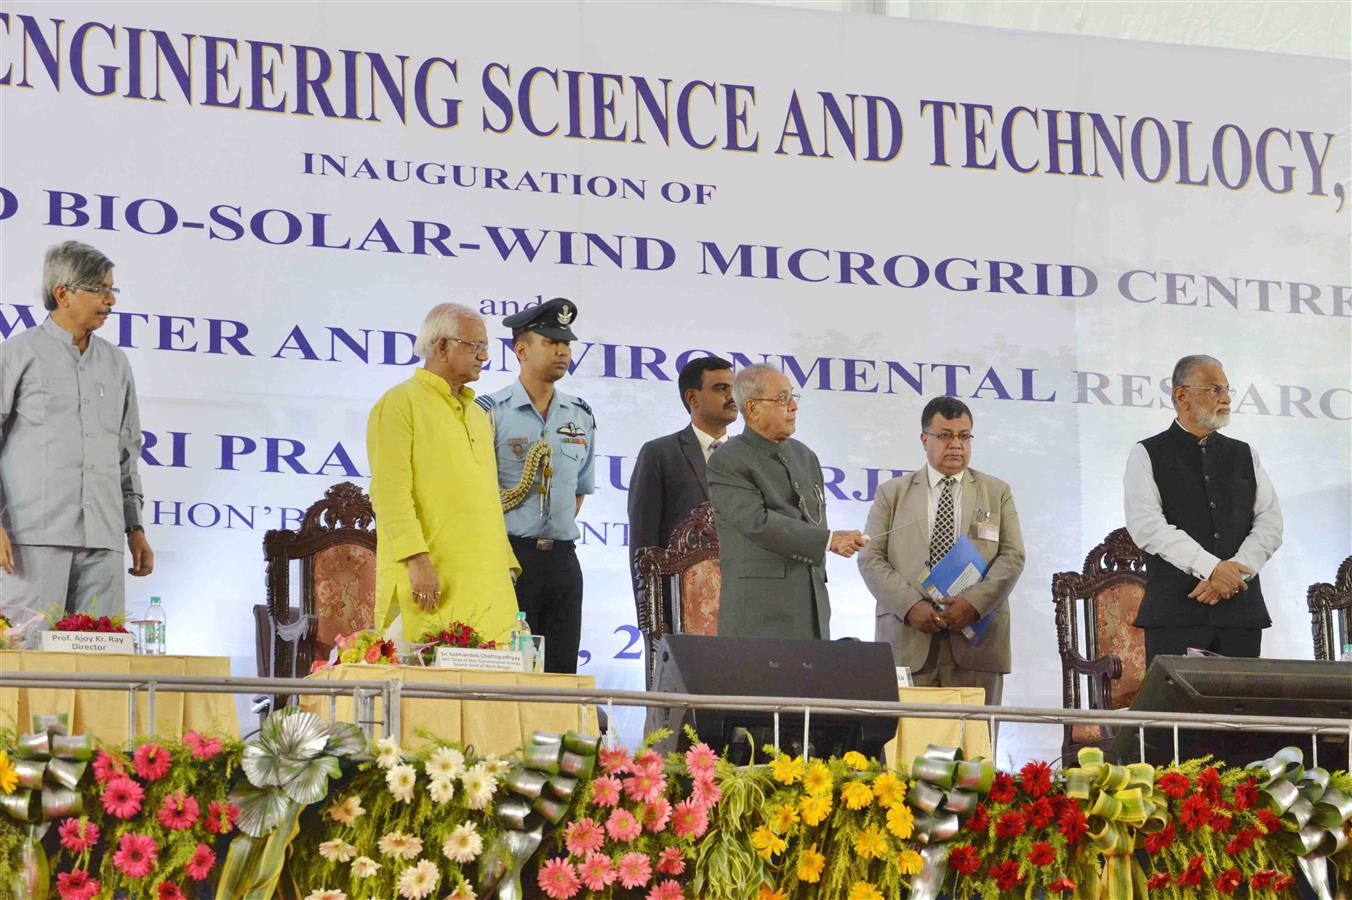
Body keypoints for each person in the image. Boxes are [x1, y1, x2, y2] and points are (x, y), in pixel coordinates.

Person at [0, 241, 153, 624]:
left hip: (102, 539)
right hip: (31, 539)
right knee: (28, 658)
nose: (110, 301)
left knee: (100, 660)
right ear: (62, 292)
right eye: (100, 290)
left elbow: (126, 451)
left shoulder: (116, 364)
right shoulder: (17, 355)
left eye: (112, 290)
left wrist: (134, 528)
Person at [366, 303, 519, 645]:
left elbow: (486, 497)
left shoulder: (479, 416)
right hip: (431, 578)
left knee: (493, 689)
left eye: (485, 348)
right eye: (475, 346)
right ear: (442, 346)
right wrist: (417, 561)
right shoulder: (399, 403)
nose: (484, 356)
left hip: (485, 580)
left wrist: (506, 562)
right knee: (427, 685)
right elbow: (390, 492)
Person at [857, 396, 1023, 706]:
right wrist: (910, 606)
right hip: (910, 641)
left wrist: (973, 604)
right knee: (908, 750)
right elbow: (870, 558)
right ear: (924, 439)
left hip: (977, 640)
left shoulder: (997, 492)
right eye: (945, 435)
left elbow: (1013, 556)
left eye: (964, 435)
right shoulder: (891, 493)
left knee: (975, 750)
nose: (956, 445)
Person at [1125, 354, 1282, 666]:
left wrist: (1235, 571)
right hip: (1176, 616)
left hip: (1241, 614)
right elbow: (1147, 527)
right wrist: (1211, 568)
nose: (1225, 399)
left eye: (1227, 390)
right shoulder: (1147, 453)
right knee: (1178, 715)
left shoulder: (1244, 454)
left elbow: (1270, 522)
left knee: (1239, 713)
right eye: (1214, 390)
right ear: (1181, 396)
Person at [478, 298, 595, 674]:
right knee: (508, 674)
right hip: (508, 559)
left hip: (562, 560)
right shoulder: (489, 412)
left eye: (566, 343)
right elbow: (477, 492)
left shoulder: (581, 414)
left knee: (561, 674)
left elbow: (578, 489)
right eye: (550, 341)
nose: (562, 351)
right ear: (522, 349)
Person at [706, 363, 866, 640]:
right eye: (782, 399)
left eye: (793, 396)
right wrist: (828, 540)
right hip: (759, 616)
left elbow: (812, 519)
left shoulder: (805, 456)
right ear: (753, 408)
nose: (793, 406)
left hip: (811, 609)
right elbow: (757, 523)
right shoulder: (727, 459)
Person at [627, 355, 737, 631]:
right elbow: (644, 543)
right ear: (692, 397)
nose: (732, 396)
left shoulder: (750, 458)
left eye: (734, 387)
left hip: (742, 606)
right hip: (679, 609)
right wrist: (651, 614)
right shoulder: (660, 454)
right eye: (721, 388)